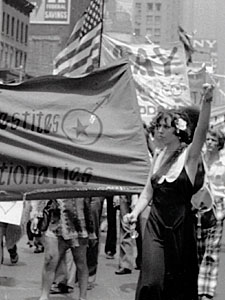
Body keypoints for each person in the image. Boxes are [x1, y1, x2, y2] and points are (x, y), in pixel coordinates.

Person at [124, 83, 214, 300]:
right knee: (151, 283)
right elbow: (147, 193)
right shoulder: (158, 155)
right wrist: (133, 214)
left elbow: (201, 132)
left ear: (178, 131)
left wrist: (207, 101)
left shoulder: (190, 157)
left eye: (166, 127)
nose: (160, 131)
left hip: (181, 228)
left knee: (177, 285)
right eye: (158, 126)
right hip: (155, 225)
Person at [31, 197, 95, 300]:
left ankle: (83, 297)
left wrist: (91, 228)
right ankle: (44, 296)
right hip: (55, 220)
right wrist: (36, 214)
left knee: (81, 262)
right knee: (50, 260)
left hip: (78, 219)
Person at [196, 128, 225, 300]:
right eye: (208, 140)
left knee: (211, 250)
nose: (210, 143)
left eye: (214, 140)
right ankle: (197, 285)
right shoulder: (200, 159)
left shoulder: (223, 163)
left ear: (220, 144)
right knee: (198, 248)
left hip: (217, 207)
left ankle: (207, 290)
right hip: (199, 206)